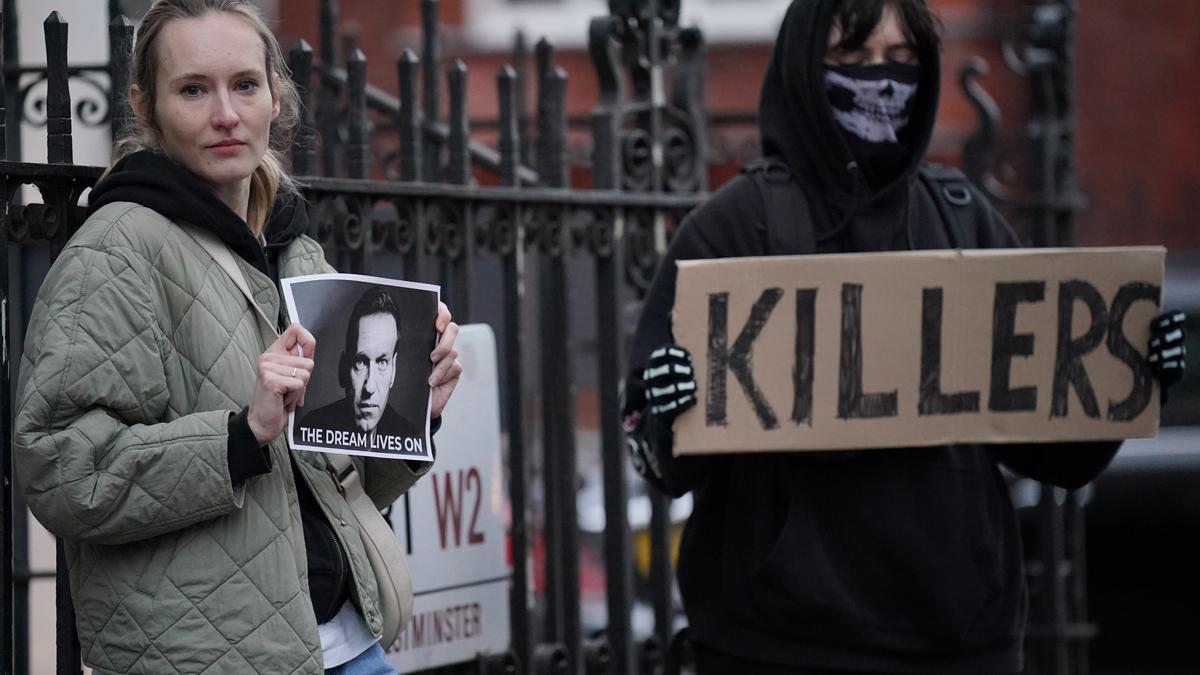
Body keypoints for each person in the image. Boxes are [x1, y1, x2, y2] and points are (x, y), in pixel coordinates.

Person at [622, 1, 1187, 673]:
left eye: (900, 60)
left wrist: (1123, 374)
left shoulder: (961, 217)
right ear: (805, 70)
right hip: (777, 647)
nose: (882, 82)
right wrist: (666, 411)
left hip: (961, 644)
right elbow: (661, 461)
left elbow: (1056, 451)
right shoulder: (733, 229)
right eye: (852, 61)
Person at [13, 1, 462, 673]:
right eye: (193, 89)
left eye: (245, 84)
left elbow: (338, 481)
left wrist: (415, 408)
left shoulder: (293, 245)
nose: (225, 113)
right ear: (147, 105)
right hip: (199, 655)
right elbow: (61, 469)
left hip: (342, 642)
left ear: (276, 96)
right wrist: (238, 434)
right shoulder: (114, 252)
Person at [298, 286, 424, 450]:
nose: (370, 387)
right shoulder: (310, 429)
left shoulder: (409, 437)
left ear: (393, 370)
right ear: (343, 368)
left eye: (382, 362)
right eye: (360, 362)